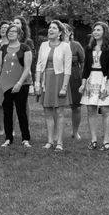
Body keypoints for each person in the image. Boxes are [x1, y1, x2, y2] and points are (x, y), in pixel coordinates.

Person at [0, 24, 32, 148]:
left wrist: (19, 83)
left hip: (21, 84)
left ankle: (25, 138)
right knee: (7, 112)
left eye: (14, 31)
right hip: (5, 84)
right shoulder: (3, 48)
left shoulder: (25, 48)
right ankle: (8, 138)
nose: (11, 33)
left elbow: (27, 68)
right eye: (9, 31)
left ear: (19, 34)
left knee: (21, 111)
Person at [79, 22, 109, 151]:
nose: (95, 32)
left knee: (106, 111)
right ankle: (93, 140)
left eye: (98, 30)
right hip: (91, 79)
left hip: (104, 79)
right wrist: (83, 83)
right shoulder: (89, 47)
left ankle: (107, 141)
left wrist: (107, 85)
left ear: (104, 32)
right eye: (94, 30)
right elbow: (85, 68)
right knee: (91, 110)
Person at [35, 20, 72, 151]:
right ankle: (50, 141)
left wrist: (64, 87)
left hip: (59, 79)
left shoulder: (65, 46)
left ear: (60, 32)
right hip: (46, 79)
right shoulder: (43, 45)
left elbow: (68, 68)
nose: (50, 30)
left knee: (59, 112)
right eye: (49, 28)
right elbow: (39, 65)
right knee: (47, 112)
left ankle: (60, 142)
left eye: (54, 28)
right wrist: (37, 83)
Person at [64, 24, 85, 140]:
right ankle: (56, 133)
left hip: (75, 77)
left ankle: (75, 132)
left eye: (66, 30)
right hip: (60, 76)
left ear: (71, 33)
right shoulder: (57, 45)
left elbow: (83, 62)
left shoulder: (76, 46)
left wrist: (82, 77)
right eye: (62, 30)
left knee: (76, 107)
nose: (64, 33)